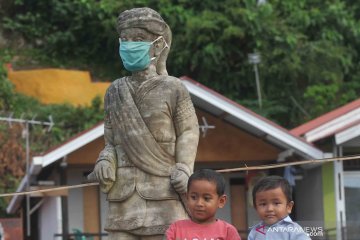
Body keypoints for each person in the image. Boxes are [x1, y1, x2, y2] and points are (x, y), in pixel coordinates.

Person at [88, 7, 199, 240]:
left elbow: (189, 130)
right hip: (123, 197)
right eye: (125, 40)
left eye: (138, 39)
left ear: (157, 45)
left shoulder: (173, 88)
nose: (130, 46)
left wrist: (184, 168)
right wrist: (105, 160)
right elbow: (110, 141)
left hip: (164, 191)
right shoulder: (114, 91)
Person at [165, 169, 241, 240]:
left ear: (221, 201)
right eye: (194, 197)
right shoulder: (176, 229)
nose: (199, 203)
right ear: (187, 197)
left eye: (206, 198)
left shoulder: (228, 231)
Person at [248, 175, 311, 240]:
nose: (269, 209)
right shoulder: (255, 232)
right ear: (256, 208)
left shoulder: (293, 230)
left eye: (276, 203)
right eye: (263, 204)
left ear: (289, 207)